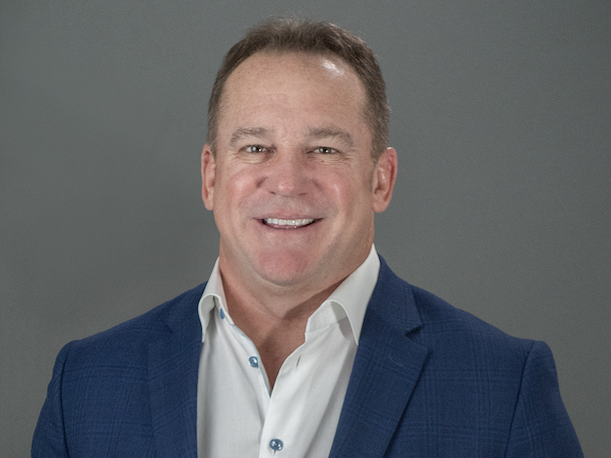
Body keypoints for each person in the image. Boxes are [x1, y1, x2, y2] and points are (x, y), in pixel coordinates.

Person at [32, 17, 583, 458]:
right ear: (210, 177)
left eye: (324, 149)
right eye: (255, 148)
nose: (288, 182)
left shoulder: (504, 388)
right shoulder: (85, 385)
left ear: (381, 180)